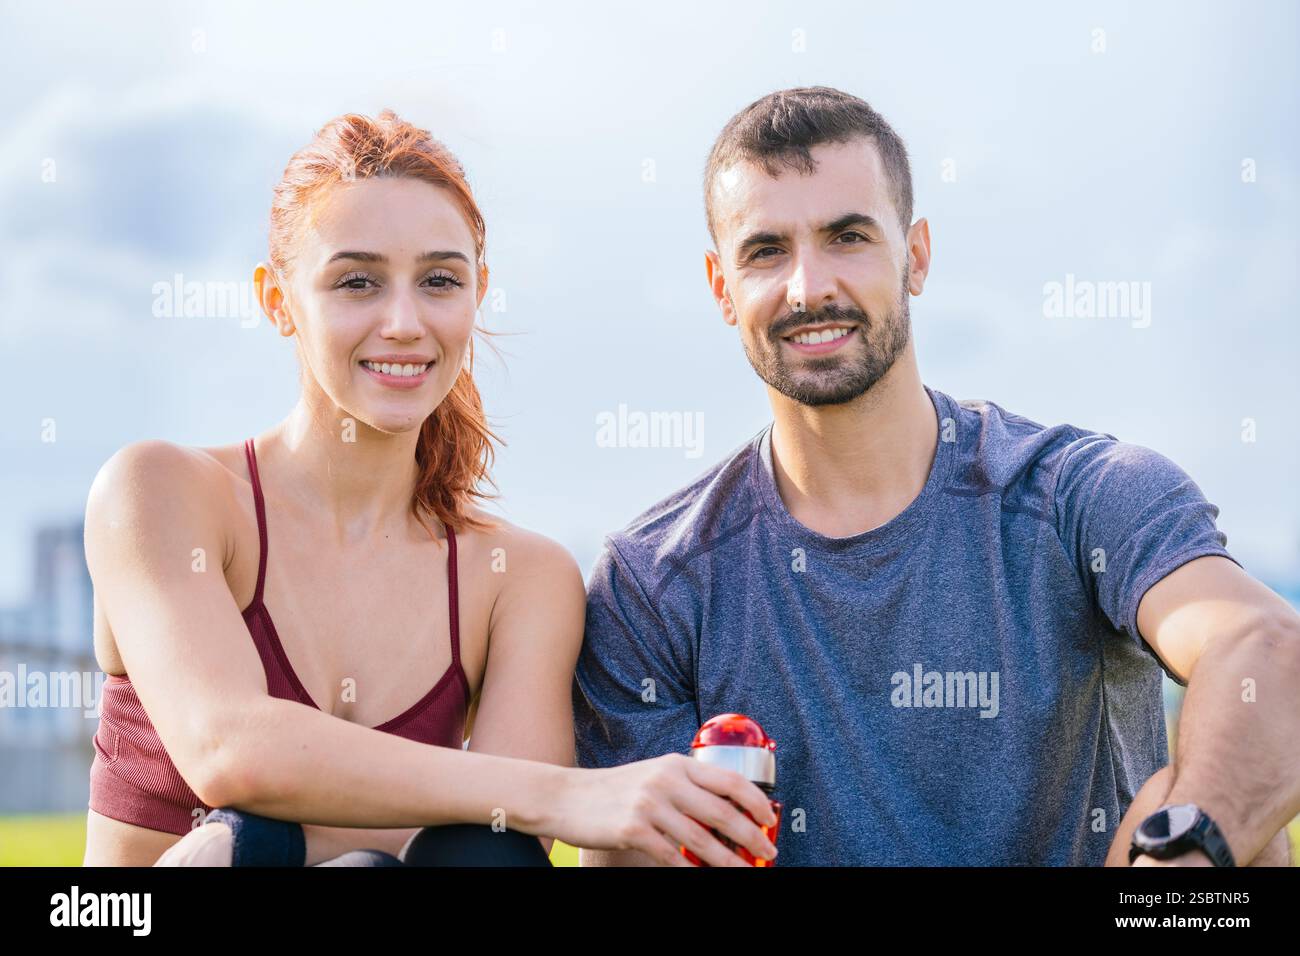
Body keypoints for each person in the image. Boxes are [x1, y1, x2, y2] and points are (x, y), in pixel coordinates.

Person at [572, 86, 1299, 867]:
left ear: (915, 256)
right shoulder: (652, 580)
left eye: (847, 237)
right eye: (766, 251)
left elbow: (1267, 649)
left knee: (1222, 827)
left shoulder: (1080, 493)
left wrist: (1182, 858)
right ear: (722, 288)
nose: (809, 287)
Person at [82, 109, 778, 868]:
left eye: (440, 281)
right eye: (357, 282)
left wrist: (522, 801)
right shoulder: (160, 492)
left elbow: (507, 835)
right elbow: (228, 750)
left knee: (480, 857)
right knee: (257, 842)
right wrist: (569, 794)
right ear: (278, 299)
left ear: (478, 294)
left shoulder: (524, 579)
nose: (405, 322)